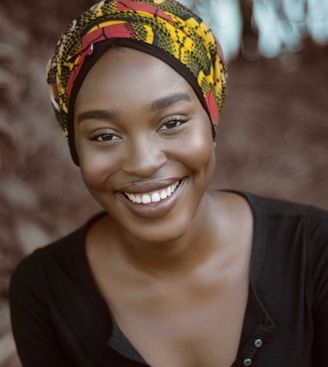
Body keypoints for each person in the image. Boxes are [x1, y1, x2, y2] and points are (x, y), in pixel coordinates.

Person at [9, 0, 328, 366]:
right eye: (104, 135)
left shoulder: (314, 253)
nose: (144, 164)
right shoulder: (44, 292)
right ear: (75, 146)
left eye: (172, 123)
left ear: (211, 121)